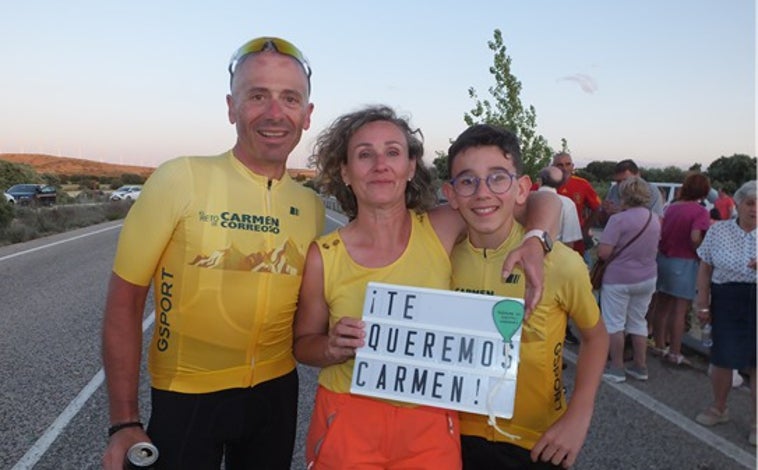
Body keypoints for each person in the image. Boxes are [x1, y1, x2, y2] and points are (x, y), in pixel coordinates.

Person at [292, 106, 560, 469]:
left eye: (392, 152)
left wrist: (535, 239)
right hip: (347, 413)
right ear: (345, 171)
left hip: (430, 420)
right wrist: (331, 347)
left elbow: (543, 199)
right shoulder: (324, 256)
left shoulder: (442, 226)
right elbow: (303, 344)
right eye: (364, 154)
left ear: (411, 166)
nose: (380, 164)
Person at [101, 37, 325, 469]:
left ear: (307, 114)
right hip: (187, 395)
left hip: (277, 394)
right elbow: (124, 303)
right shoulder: (179, 179)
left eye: (290, 98)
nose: (275, 113)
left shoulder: (311, 206)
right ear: (231, 107)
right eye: (257, 96)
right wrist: (123, 421)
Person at [443, 124, 608, 469]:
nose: (483, 192)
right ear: (451, 193)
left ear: (521, 189)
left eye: (498, 178)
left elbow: (595, 337)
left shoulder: (560, 263)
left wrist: (580, 413)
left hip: (536, 441)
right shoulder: (438, 256)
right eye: (467, 180)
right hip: (452, 433)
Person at [694, 180, 756, 446]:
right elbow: (705, 269)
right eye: (750, 203)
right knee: (721, 357)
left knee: (756, 362)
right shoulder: (719, 232)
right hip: (726, 298)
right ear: (738, 205)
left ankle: (757, 421)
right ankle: (720, 408)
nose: (755, 210)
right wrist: (703, 304)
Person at [596, 176, 661, 383]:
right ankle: (640, 366)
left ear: (625, 195)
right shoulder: (654, 219)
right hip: (647, 276)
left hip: (619, 278)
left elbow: (604, 253)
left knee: (614, 323)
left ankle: (617, 368)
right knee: (638, 321)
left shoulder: (618, 220)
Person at [650, 172, 711, 366]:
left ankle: (659, 345)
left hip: (664, 259)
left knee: (661, 306)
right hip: (684, 262)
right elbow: (695, 237)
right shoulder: (700, 211)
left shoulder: (671, 207)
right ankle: (675, 352)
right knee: (679, 311)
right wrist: (700, 251)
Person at [551, 152, 602, 261]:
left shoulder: (582, 184)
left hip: (575, 240)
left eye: (568, 164)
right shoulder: (543, 184)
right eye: (560, 165)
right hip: (550, 239)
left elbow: (598, 207)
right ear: (552, 167)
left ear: (573, 166)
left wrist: (585, 228)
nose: (564, 168)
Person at [536, 166, 582, 245]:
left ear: (539, 181)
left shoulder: (525, 199)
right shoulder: (567, 203)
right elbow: (569, 240)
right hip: (555, 252)